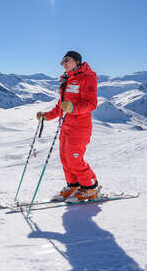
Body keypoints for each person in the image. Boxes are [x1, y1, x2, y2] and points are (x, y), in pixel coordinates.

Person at [36, 51, 99, 202]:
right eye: (62, 61)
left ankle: (90, 188)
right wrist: (47, 116)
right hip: (65, 125)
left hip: (80, 126)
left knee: (74, 159)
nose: (63, 63)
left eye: (67, 60)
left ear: (77, 61)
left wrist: (72, 109)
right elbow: (61, 105)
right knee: (65, 158)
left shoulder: (87, 77)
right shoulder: (66, 79)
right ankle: (74, 185)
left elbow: (91, 104)